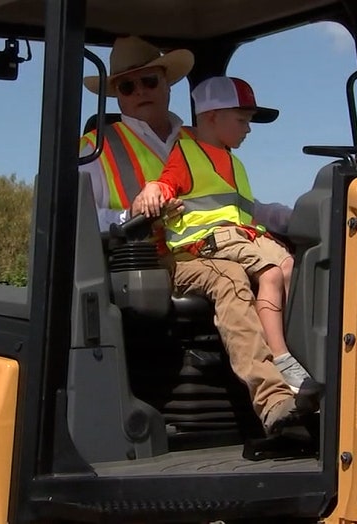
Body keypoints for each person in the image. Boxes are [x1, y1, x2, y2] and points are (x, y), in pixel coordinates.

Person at [80, 37, 320, 434]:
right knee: (230, 278)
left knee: (302, 264)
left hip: (212, 246)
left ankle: (314, 377)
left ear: (168, 83)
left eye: (150, 81)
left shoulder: (200, 140)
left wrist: (303, 217)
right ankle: (274, 400)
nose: (141, 92)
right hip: (147, 260)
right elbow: (83, 218)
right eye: (127, 86)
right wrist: (133, 214)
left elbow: (236, 203)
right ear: (116, 96)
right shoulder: (97, 149)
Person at [130, 76, 312, 393]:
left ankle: (303, 356)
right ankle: (281, 357)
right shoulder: (186, 153)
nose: (248, 129)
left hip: (244, 236)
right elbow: (166, 183)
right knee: (268, 274)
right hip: (206, 245)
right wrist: (152, 189)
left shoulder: (233, 162)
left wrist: (302, 217)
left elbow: (249, 208)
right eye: (242, 120)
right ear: (212, 116)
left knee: (291, 267)